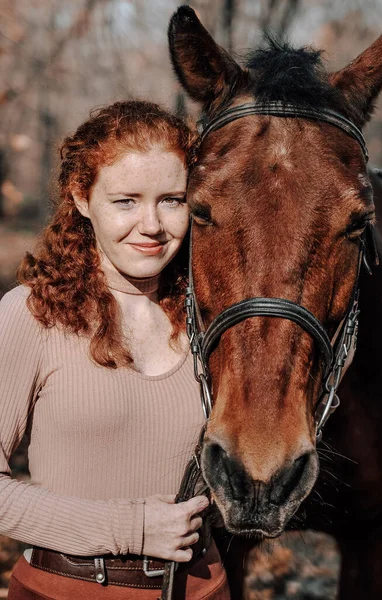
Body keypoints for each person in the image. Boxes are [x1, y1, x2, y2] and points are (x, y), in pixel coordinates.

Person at [0, 100, 230, 599]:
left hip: (203, 588)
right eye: (126, 201)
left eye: (172, 199)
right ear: (82, 198)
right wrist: (131, 529)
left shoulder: (212, 317)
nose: (151, 225)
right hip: (65, 590)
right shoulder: (32, 314)